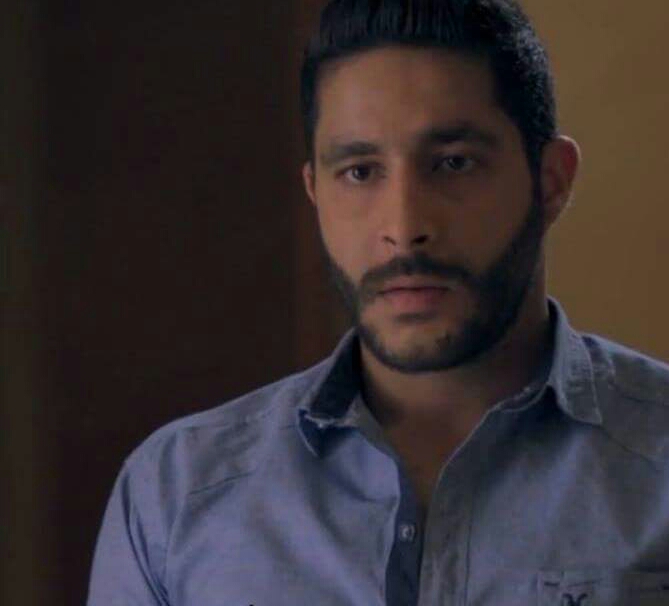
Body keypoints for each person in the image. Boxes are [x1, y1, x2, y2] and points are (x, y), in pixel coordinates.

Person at [87, 0, 669, 604]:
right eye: (360, 172)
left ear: (551, 181)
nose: (404, 226)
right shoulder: (177, 495)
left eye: (453, 163)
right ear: (315, 191)